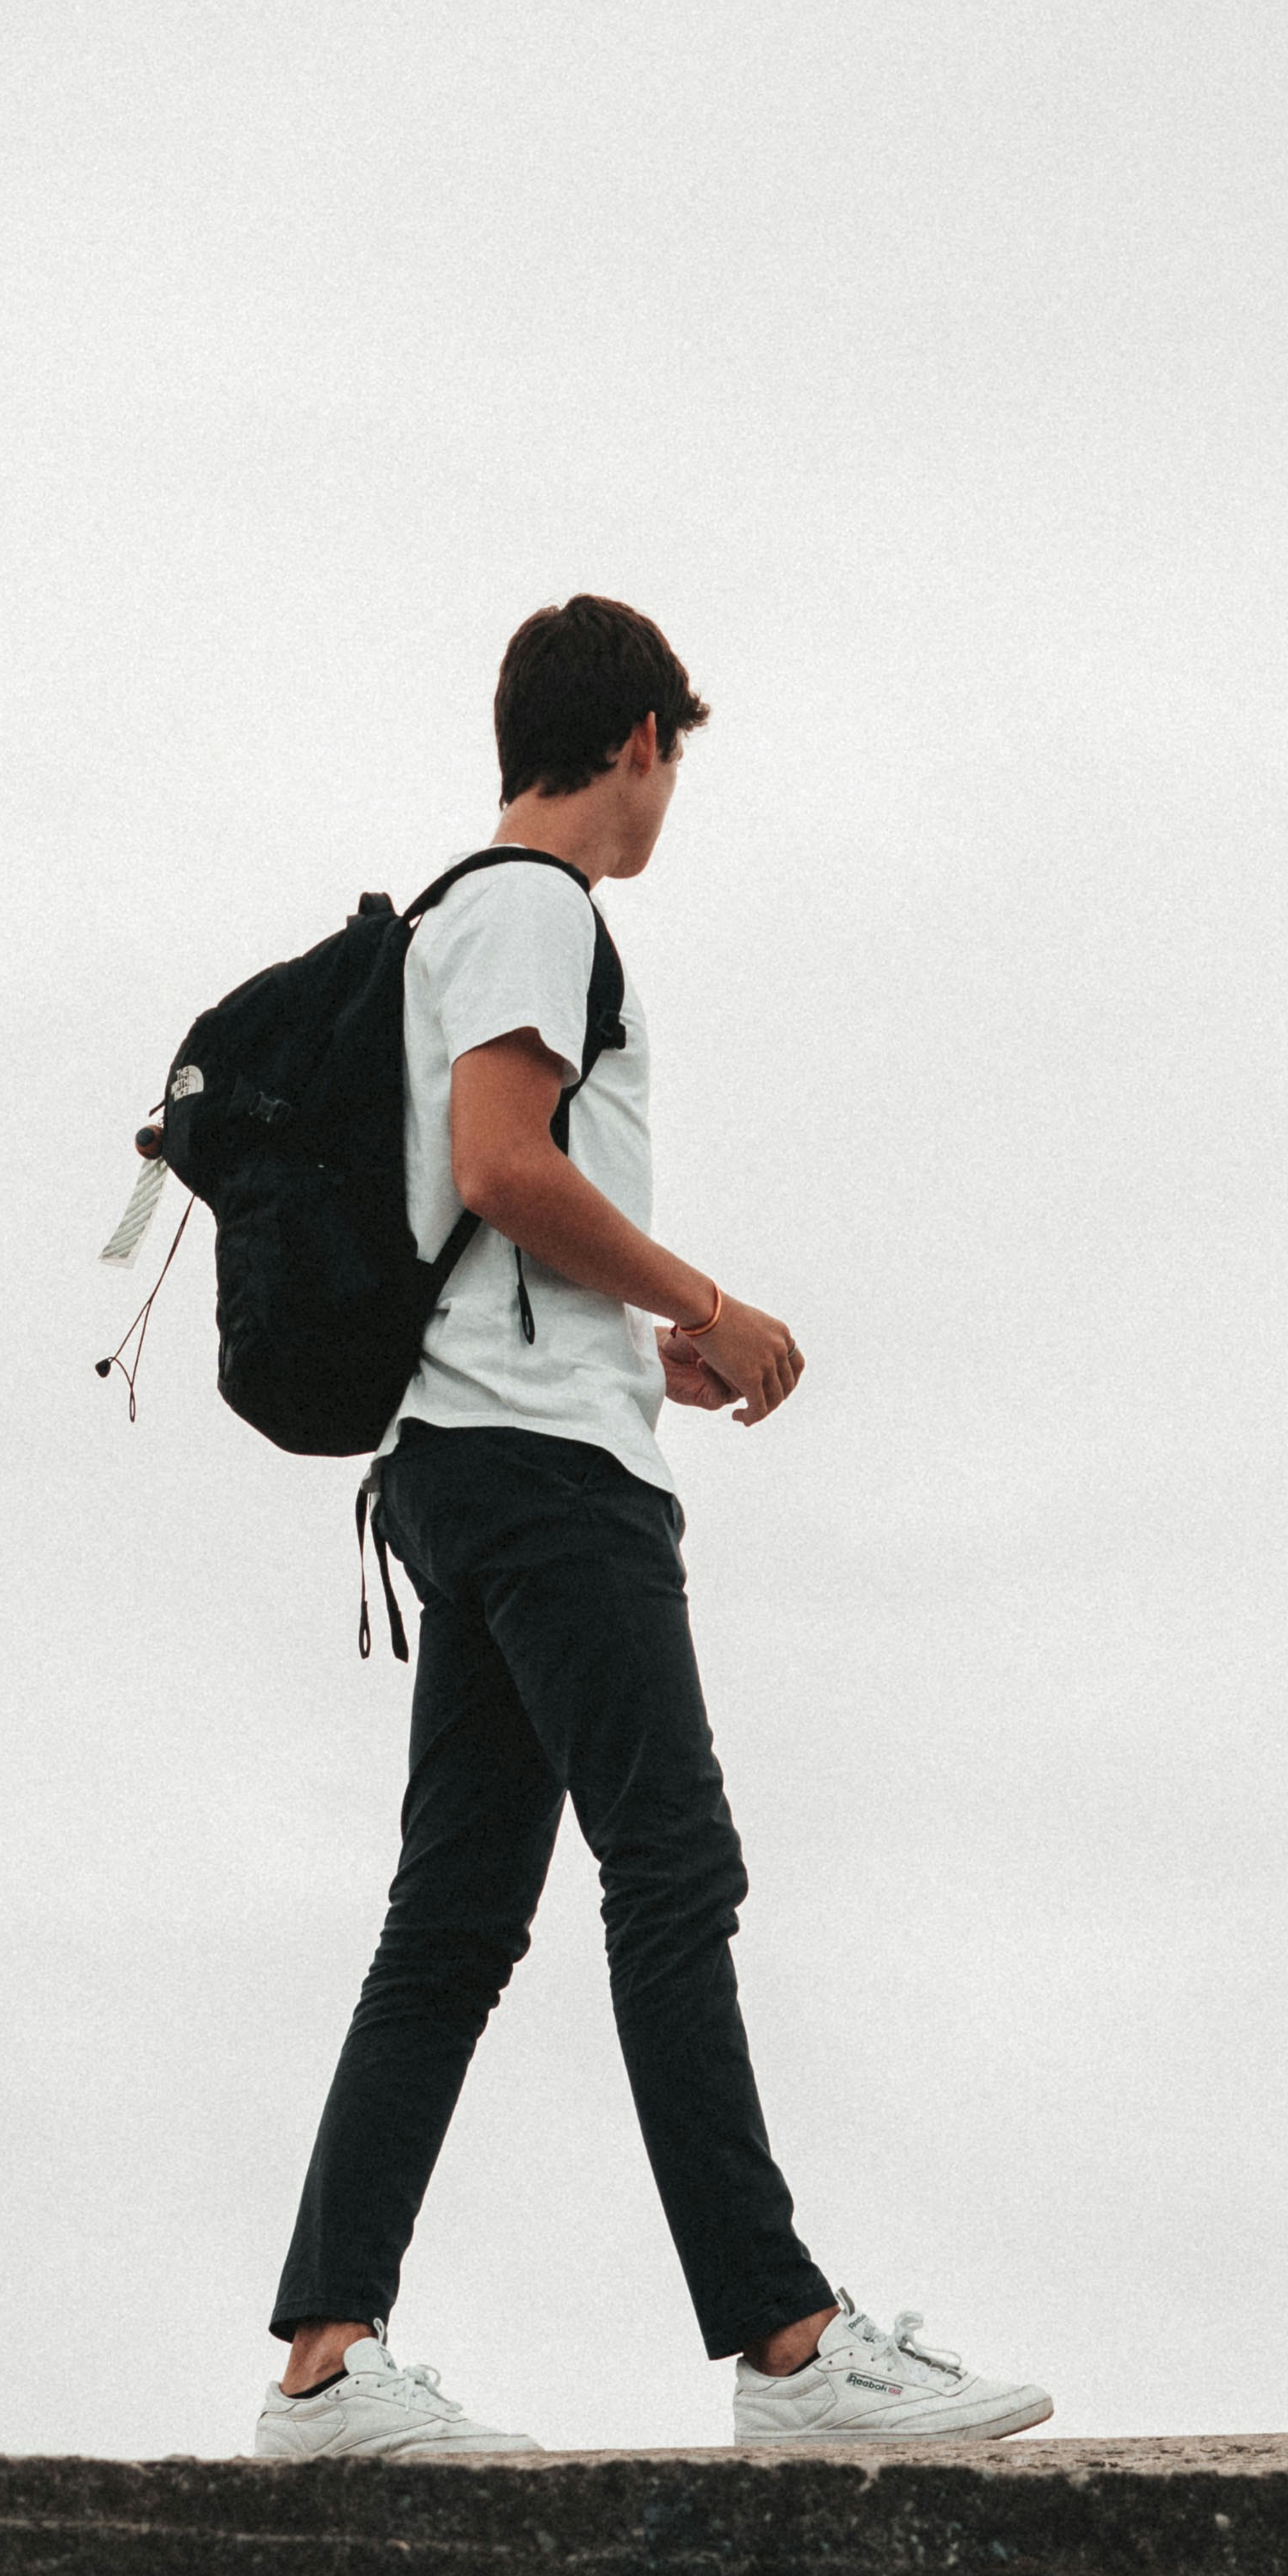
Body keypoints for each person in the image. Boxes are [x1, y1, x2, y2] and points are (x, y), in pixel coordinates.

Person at [248, 589, 1052, 2467]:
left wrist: (636, 1344)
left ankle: (324, 2361)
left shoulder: (451, 915)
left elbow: (488, 1212)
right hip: (543, 1484)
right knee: (673, 1869)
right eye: (674, 758)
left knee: (453, 1921)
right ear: (640, 741)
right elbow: (514, 1165)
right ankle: (791, 2350)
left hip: (469, 1458)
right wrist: (713, 1302)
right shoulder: (538, 907)